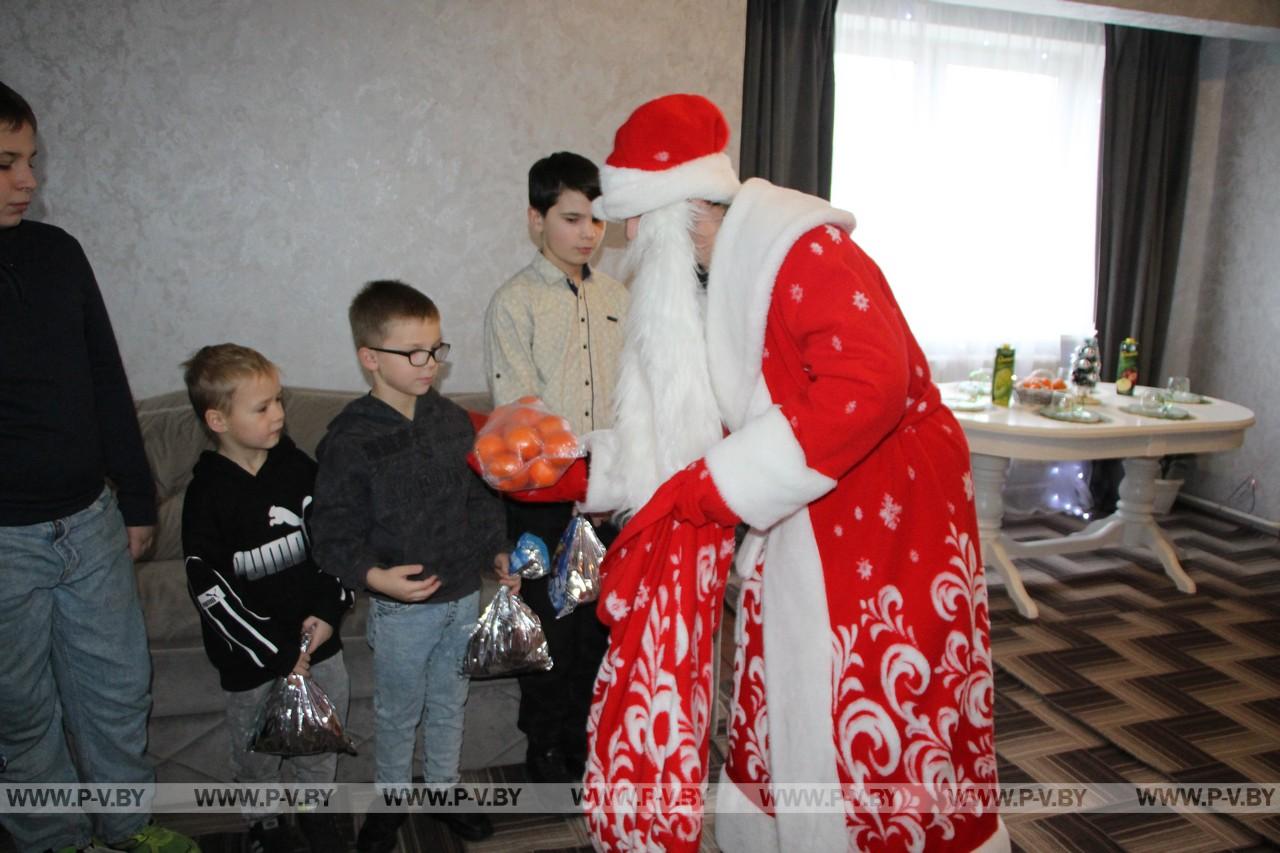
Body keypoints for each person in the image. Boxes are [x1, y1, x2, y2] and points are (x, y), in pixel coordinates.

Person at [576, 94, 1008, 852]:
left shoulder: (805, 251)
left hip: (886, 521)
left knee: (874, 709)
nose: (631, 238)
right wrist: (581, 466)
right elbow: (693, 426)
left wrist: (724, 480)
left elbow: (872, 381)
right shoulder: (711, 278)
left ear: (684, 209)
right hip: (806, 516)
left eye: (637, 219)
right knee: (790, 702)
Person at [0, 81, 199, 853]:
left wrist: (139, 500)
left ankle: (127, 829)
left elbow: (106, 379)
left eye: (31, 161)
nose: (29, 180)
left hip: (88, 519)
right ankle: (54, 840)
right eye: (8, 164)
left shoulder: (58, 253)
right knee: (19, 710)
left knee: (118, 686)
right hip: (6, 541)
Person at [310, 280, 518, 850]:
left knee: (451, 702)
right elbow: (328, 530)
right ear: (370, 359)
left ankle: (445, 790)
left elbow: (480, 496)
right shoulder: (349, 438)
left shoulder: (450, 420)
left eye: (436, 349)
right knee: (399, 713)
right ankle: (391, 802)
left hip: (461, 596)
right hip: (404, 610)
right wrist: (374, 578)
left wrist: (495, 549)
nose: (430, 364)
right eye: (414, 353)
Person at [483, 151, 628, 783]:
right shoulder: (513, 303)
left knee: (600, 629)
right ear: (536, 220)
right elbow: (518, 410)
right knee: (548, 632)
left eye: (597, 220)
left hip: (612, 492)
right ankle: (543, 747)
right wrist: (571, 466)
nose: (588, 233)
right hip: (541, 498)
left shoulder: (620, 296)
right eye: (572, 219)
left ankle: (588, 741)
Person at [180, 344, 353, 853]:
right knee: (257, 749)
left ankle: (312, 810)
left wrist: (328, 610)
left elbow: (334, 540)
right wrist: (278, 652)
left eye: (279, 400)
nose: (278, 414)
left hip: (319, 642)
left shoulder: (297, 467)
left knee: (320, 741)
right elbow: (209, 587)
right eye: (262, 407)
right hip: (252, 659)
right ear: (218, 420)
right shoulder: (206, 493)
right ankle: (265, 821)